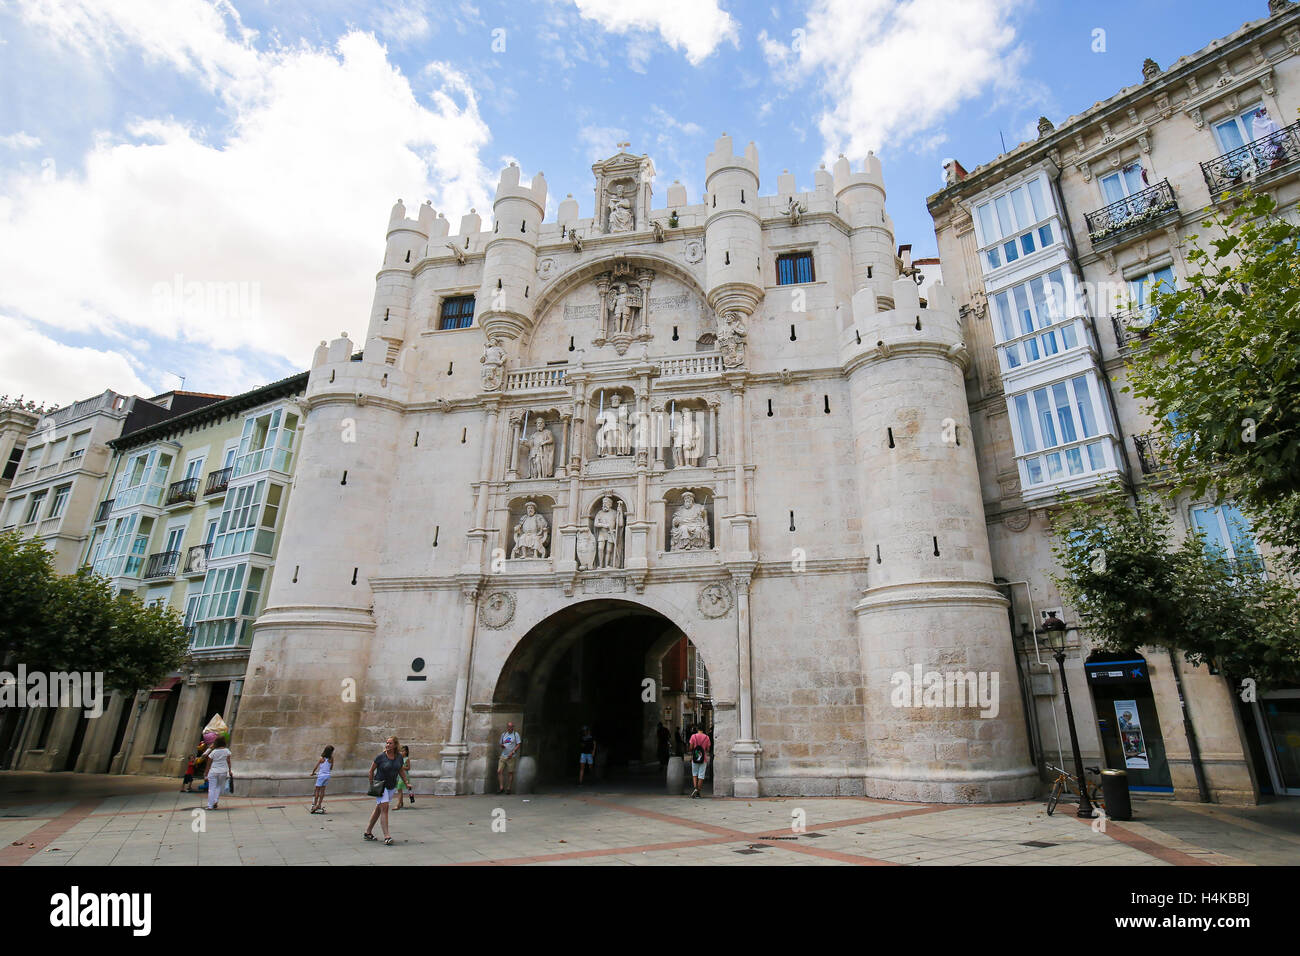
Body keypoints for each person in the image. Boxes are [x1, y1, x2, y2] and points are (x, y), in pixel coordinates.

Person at [365, 736, 412, 846]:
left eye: (390, 743)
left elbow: (400, 770)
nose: (387, 745)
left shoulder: (399, 757)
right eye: (386, 743)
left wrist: (406, 782)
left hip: (391, 786)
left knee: (379, 809)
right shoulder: (380, 757)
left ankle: (367, 832)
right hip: (380, 785)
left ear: (395, 745)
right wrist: (372, 784)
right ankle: (387, 836)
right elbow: (371, 771)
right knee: (385, 808)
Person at [205, 735, 233, 810]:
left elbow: (209, 763)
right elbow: (229, 762)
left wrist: (206, 773)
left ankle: (210, 805)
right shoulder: (227, 751)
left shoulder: (214, 752)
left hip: (213, 771)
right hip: (223, 771)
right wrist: (230, 770)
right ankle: (215, 801)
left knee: (211, 788)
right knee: (218, 787)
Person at [688, 725, 711, 798]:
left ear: (697, 729)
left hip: (695, 758)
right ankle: (698, 792)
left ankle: (695, 788)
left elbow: (691, 747)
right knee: (701, 775)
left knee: (694, 774)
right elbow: (708, 749)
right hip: (703, 758)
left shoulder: (693, 736)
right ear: (703, 729)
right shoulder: (707, 737)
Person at [498, 721, 521, 794]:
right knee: (499, 771)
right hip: (503, 755)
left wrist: (513, 752)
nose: (510, 728)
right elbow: (501, 743)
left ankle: (509, 788)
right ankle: (501, 787)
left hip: (511, 756)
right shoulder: (504, 734)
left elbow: (518, 744)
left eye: (511, 727)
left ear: (513, 727)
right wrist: (502, 745)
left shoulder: (515, 734)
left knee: (510, 772)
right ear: (507, 727)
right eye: (508, 727)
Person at [310, 745, 334, 814]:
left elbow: (316, 767)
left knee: (317, 790)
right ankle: (319, 804)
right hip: (327, 775)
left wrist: (313, 773)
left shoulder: (321, 758)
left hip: (321, 776)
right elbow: (331, 768)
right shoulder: (331, 758)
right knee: (323, 790)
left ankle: (314, 805)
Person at [393, 745, 413, 809]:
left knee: (399, 789)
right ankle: (401, 803)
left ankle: (398, 804)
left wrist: (402, 767)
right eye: (401, 751)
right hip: (398, 775)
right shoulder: (399, 758)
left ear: (406, 752)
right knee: (399, 789)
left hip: (404, 775)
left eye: (403, 751)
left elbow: (408, 768)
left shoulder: (407, 759)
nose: (401, 752)